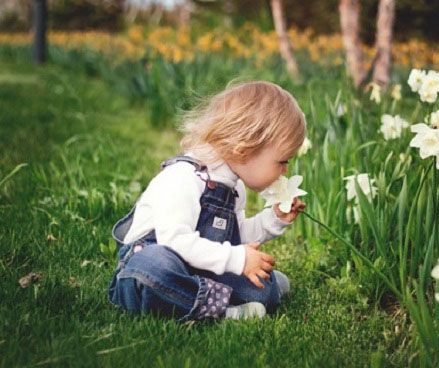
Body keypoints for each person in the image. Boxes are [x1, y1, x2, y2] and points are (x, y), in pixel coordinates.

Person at [108, 81, 306, 321]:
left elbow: (235, 236)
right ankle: (223, 312)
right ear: (244, 149)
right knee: (154, 268)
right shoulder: (184, 178)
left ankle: (208, 296)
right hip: (154, 266)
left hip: (197, 268)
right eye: (282, 161)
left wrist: (274, 219)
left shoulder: (234, 187)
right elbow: (175, 242)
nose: (285, 170)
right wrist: (237, 259)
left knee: (265, 290)